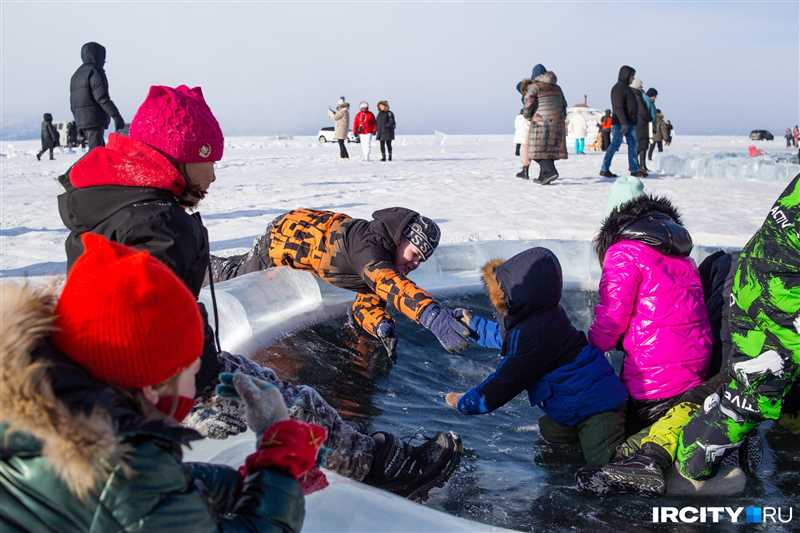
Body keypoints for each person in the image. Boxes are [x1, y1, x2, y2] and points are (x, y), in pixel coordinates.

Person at [56, 84, 463, 499]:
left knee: (275, 386)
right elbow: (144, 337)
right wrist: (189, 394)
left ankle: (366, 457)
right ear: (176, 157)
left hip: (157, 370)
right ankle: (381, 475)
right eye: (206, 160)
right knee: (294, 406)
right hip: (160, 382)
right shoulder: (156, 226)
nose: (213, 175)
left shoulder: (120, 205)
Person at [0, 233, 323, 531]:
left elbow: (146, 500)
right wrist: (280, 459)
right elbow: (136, 496)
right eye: (189, 369)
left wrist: (250, 483)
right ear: (155, 385)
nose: (194, 382)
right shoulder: (119, 471)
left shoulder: (44, 418)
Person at [444, 248, 628, 467]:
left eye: (501, 296)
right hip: (571, 407)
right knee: (552, 436)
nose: (497, 302)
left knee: (605, 463)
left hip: (597, 408)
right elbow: (508, 339)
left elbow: (505, 382)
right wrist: (474, 326)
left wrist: (466, 403)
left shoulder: (534, 333)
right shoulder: (541, 317)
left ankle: (646, 455)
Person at [212, 207, 472, 361]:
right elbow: (388, 284)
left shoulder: (382, 261)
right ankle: (199, 264)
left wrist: (380, 325)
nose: (416, 264)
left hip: (308, 240)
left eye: (422, 260)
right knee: (234, 277)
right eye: (415, 254)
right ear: (400, 238)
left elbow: (369, 297)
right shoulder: (367, 244)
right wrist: (432, 315)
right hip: (281, 239)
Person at [677, 173, 800, 482]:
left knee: (750, 390)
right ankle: (694, 461)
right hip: (780, 296)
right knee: (746, 401)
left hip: (756, 280)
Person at [588, 192, 712, 434]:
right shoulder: (682, 256)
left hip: (652, 383)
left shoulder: (623, 253)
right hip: (695, 374)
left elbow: (612, 318)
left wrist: (588, 349)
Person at [69, 42, 125, 149]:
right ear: (97, 56)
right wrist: (116, 116)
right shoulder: (95, 71)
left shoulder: (76, 75)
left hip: (81, 121)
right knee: (97, 155)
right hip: (93, 120)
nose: (104, 62)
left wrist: (78, 122)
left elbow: (73, 102)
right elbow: (102, 98)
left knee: (95, 153)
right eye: (103, 58)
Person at [522, 66, 568, 184]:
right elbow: (564, 104)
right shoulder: (557, 88)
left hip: (541, 122)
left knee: (536, 151)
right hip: (557, 122)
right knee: (548, 150)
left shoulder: (535, 86)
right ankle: (544, 176)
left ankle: (551, 171)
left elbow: (528, 101)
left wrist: (527, 115)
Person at [600, 65, 643, 178]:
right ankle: (604, 169)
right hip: (621, 123)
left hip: (629, 123)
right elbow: (618, 107)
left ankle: (634, 169)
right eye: (632, 76)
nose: (633, 78)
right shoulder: (618, 88)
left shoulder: (627, 88)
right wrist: (624, 123)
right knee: (614, 145)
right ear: (626, 75)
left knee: (633, 145)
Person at [515, 63, 545, 179]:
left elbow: (518, 86)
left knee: (526, 146)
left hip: (529, 120)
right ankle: (544, 171)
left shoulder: (529, 88)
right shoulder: (547, 88)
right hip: (542, 120)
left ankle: (525, 170)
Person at [629, 79, 651, 175]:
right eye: (641, 86)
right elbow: (643, 110)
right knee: (641, 145)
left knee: (639, 145)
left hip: (636, 122)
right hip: (641, 123)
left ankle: (639, 166)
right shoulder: (637, 95)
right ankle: (637, 167)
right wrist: (648, 117)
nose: (642, 88)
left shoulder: (631, 94)